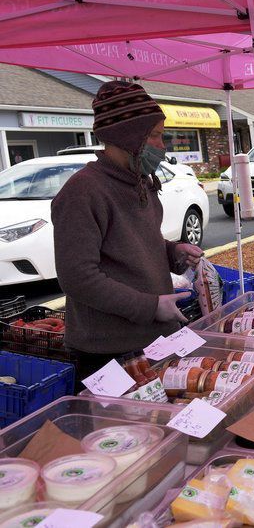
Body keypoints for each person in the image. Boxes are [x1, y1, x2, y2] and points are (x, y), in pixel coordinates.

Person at [52, 81, 203, 381]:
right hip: (109, 352)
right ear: (129, 135)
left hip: (153, 338)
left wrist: (172, 251)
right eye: (156, 136)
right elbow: (77, 277)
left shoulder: (138, 180)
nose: (163, 145)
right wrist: (149, 307)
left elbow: (134, 242)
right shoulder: (83, 191)